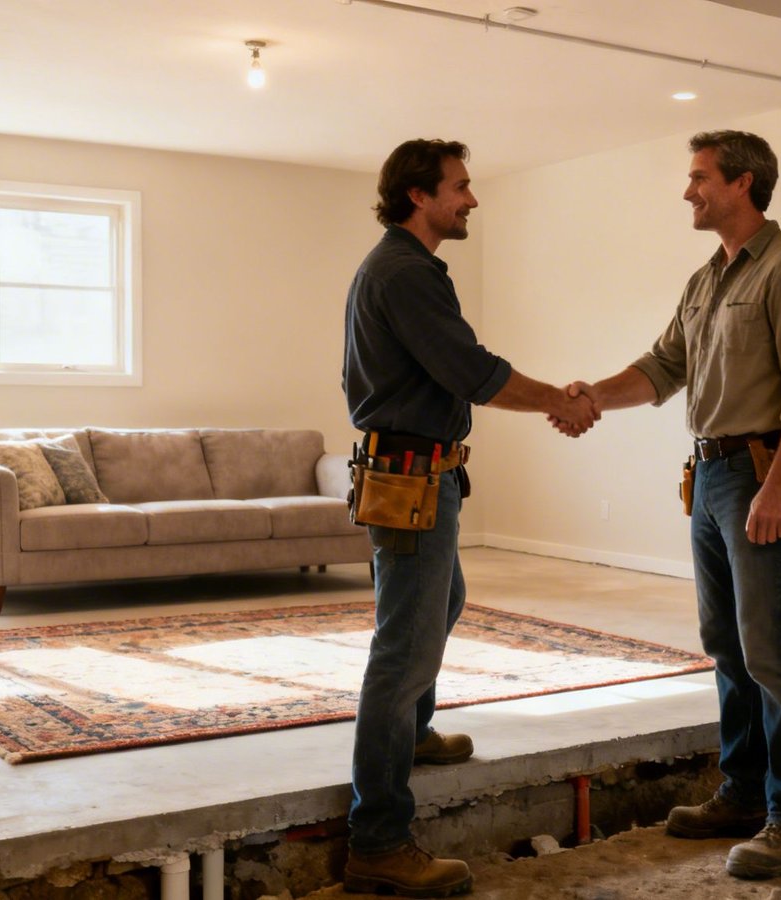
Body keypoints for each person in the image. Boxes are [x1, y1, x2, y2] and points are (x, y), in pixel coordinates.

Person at [560, 130, 781, 880]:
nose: (689, 192)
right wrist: (589, 396)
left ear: (743, 183)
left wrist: (780, 485)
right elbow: (662, 368)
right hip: (710, 478)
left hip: (759, 473)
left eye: (700, 178)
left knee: (771, 649)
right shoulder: (706, 279)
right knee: (725, 643)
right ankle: (744, 793)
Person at [341, 138, 596, 898]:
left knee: (438, 604)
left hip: (423, 471)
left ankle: (412, 736)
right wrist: (560, 399)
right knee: (403, 648)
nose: (472, 200)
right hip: (413, 475)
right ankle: (378, 839)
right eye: (460, 187)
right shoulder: (405, 272)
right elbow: (472, 372)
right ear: (419, 195)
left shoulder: (398, 266)